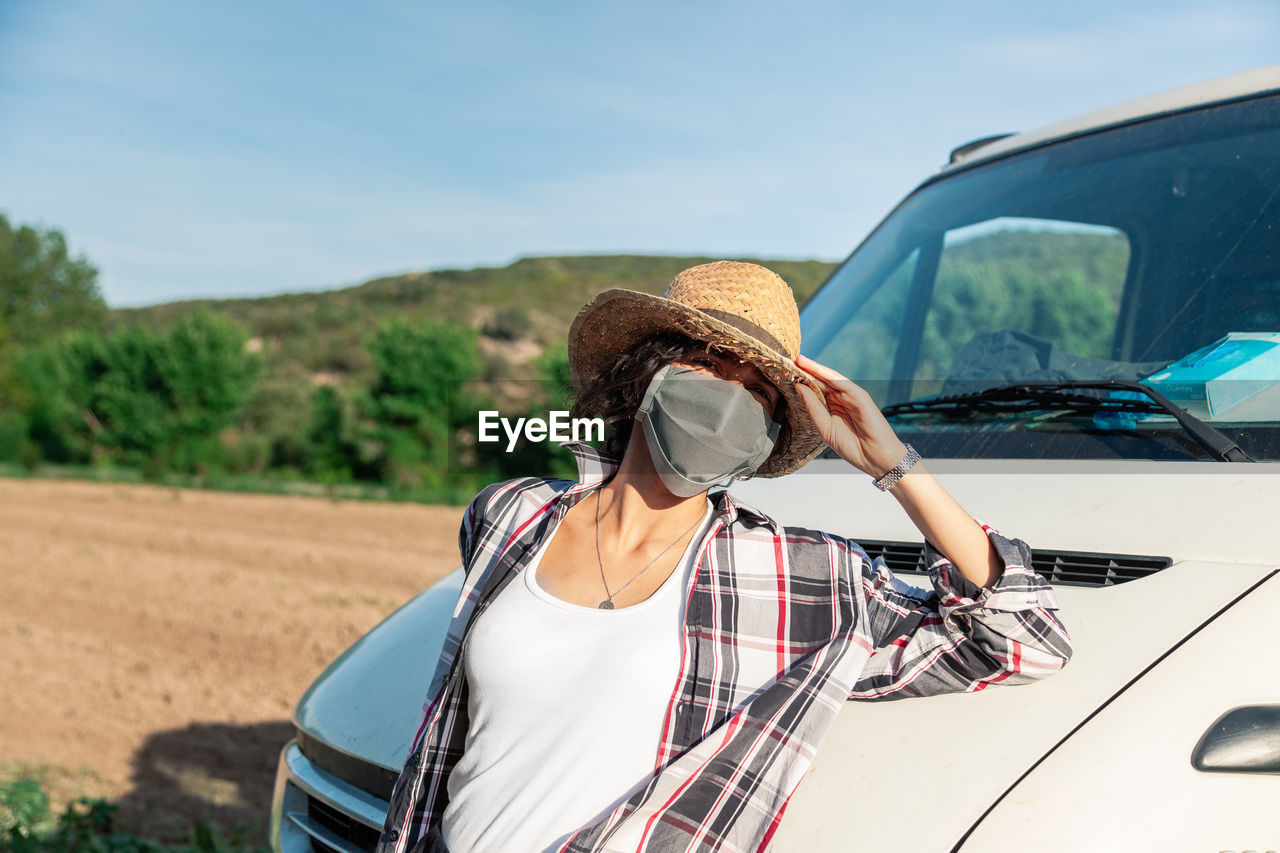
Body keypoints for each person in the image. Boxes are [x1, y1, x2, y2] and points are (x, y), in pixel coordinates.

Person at [377, 261, 1072, 853]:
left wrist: (892, 464)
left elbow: (1024, 639)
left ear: (767, 431)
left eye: (758, 389)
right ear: (645, 372)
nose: (727, 396)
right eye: (709, 361)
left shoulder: (798, 575)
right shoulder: (510, 514)